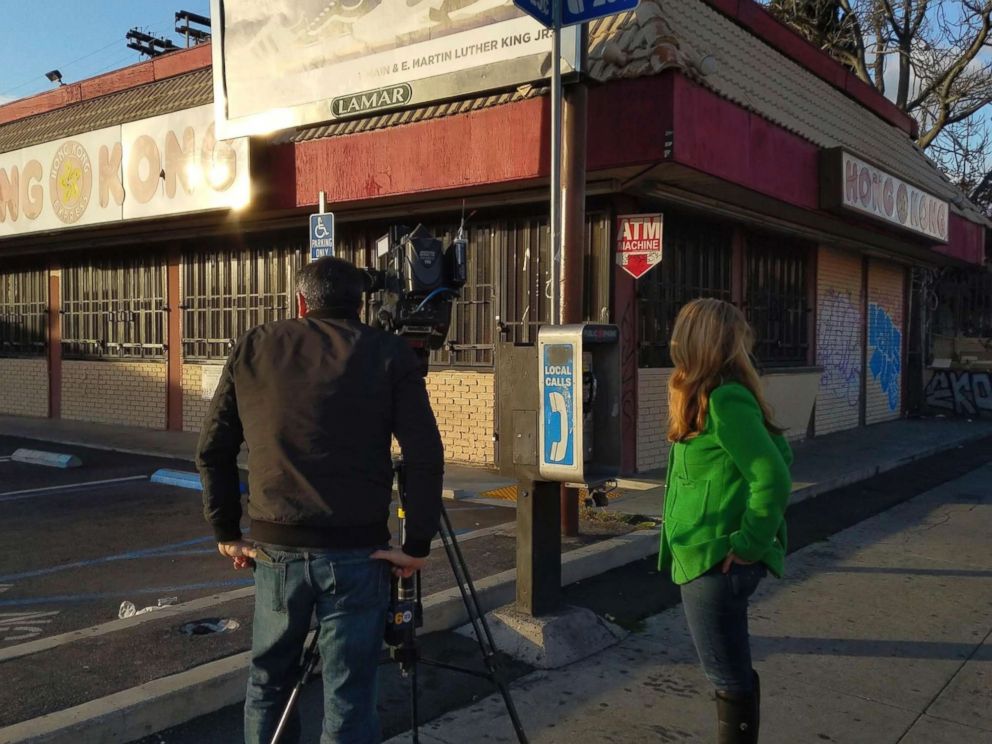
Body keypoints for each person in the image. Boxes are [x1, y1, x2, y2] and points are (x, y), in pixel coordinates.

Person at [196, 256, 444, 744]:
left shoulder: (254, 346)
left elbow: (213, 449)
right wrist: (417, 543)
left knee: (269, 682)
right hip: (358, 553)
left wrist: (226, 531)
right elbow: (424, 453)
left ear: (302, 301)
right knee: (349, 694)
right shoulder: (389, 352)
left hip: (275, 550)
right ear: (361, 303)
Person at [658, 298, 793, 744]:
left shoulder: (725, 400)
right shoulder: (701, 396)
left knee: (727, 678)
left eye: (679, 333)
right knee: (731, 671)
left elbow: (772, 475)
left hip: (715, 562)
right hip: (703, 557)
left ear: (694, 342)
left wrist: (751, 542)